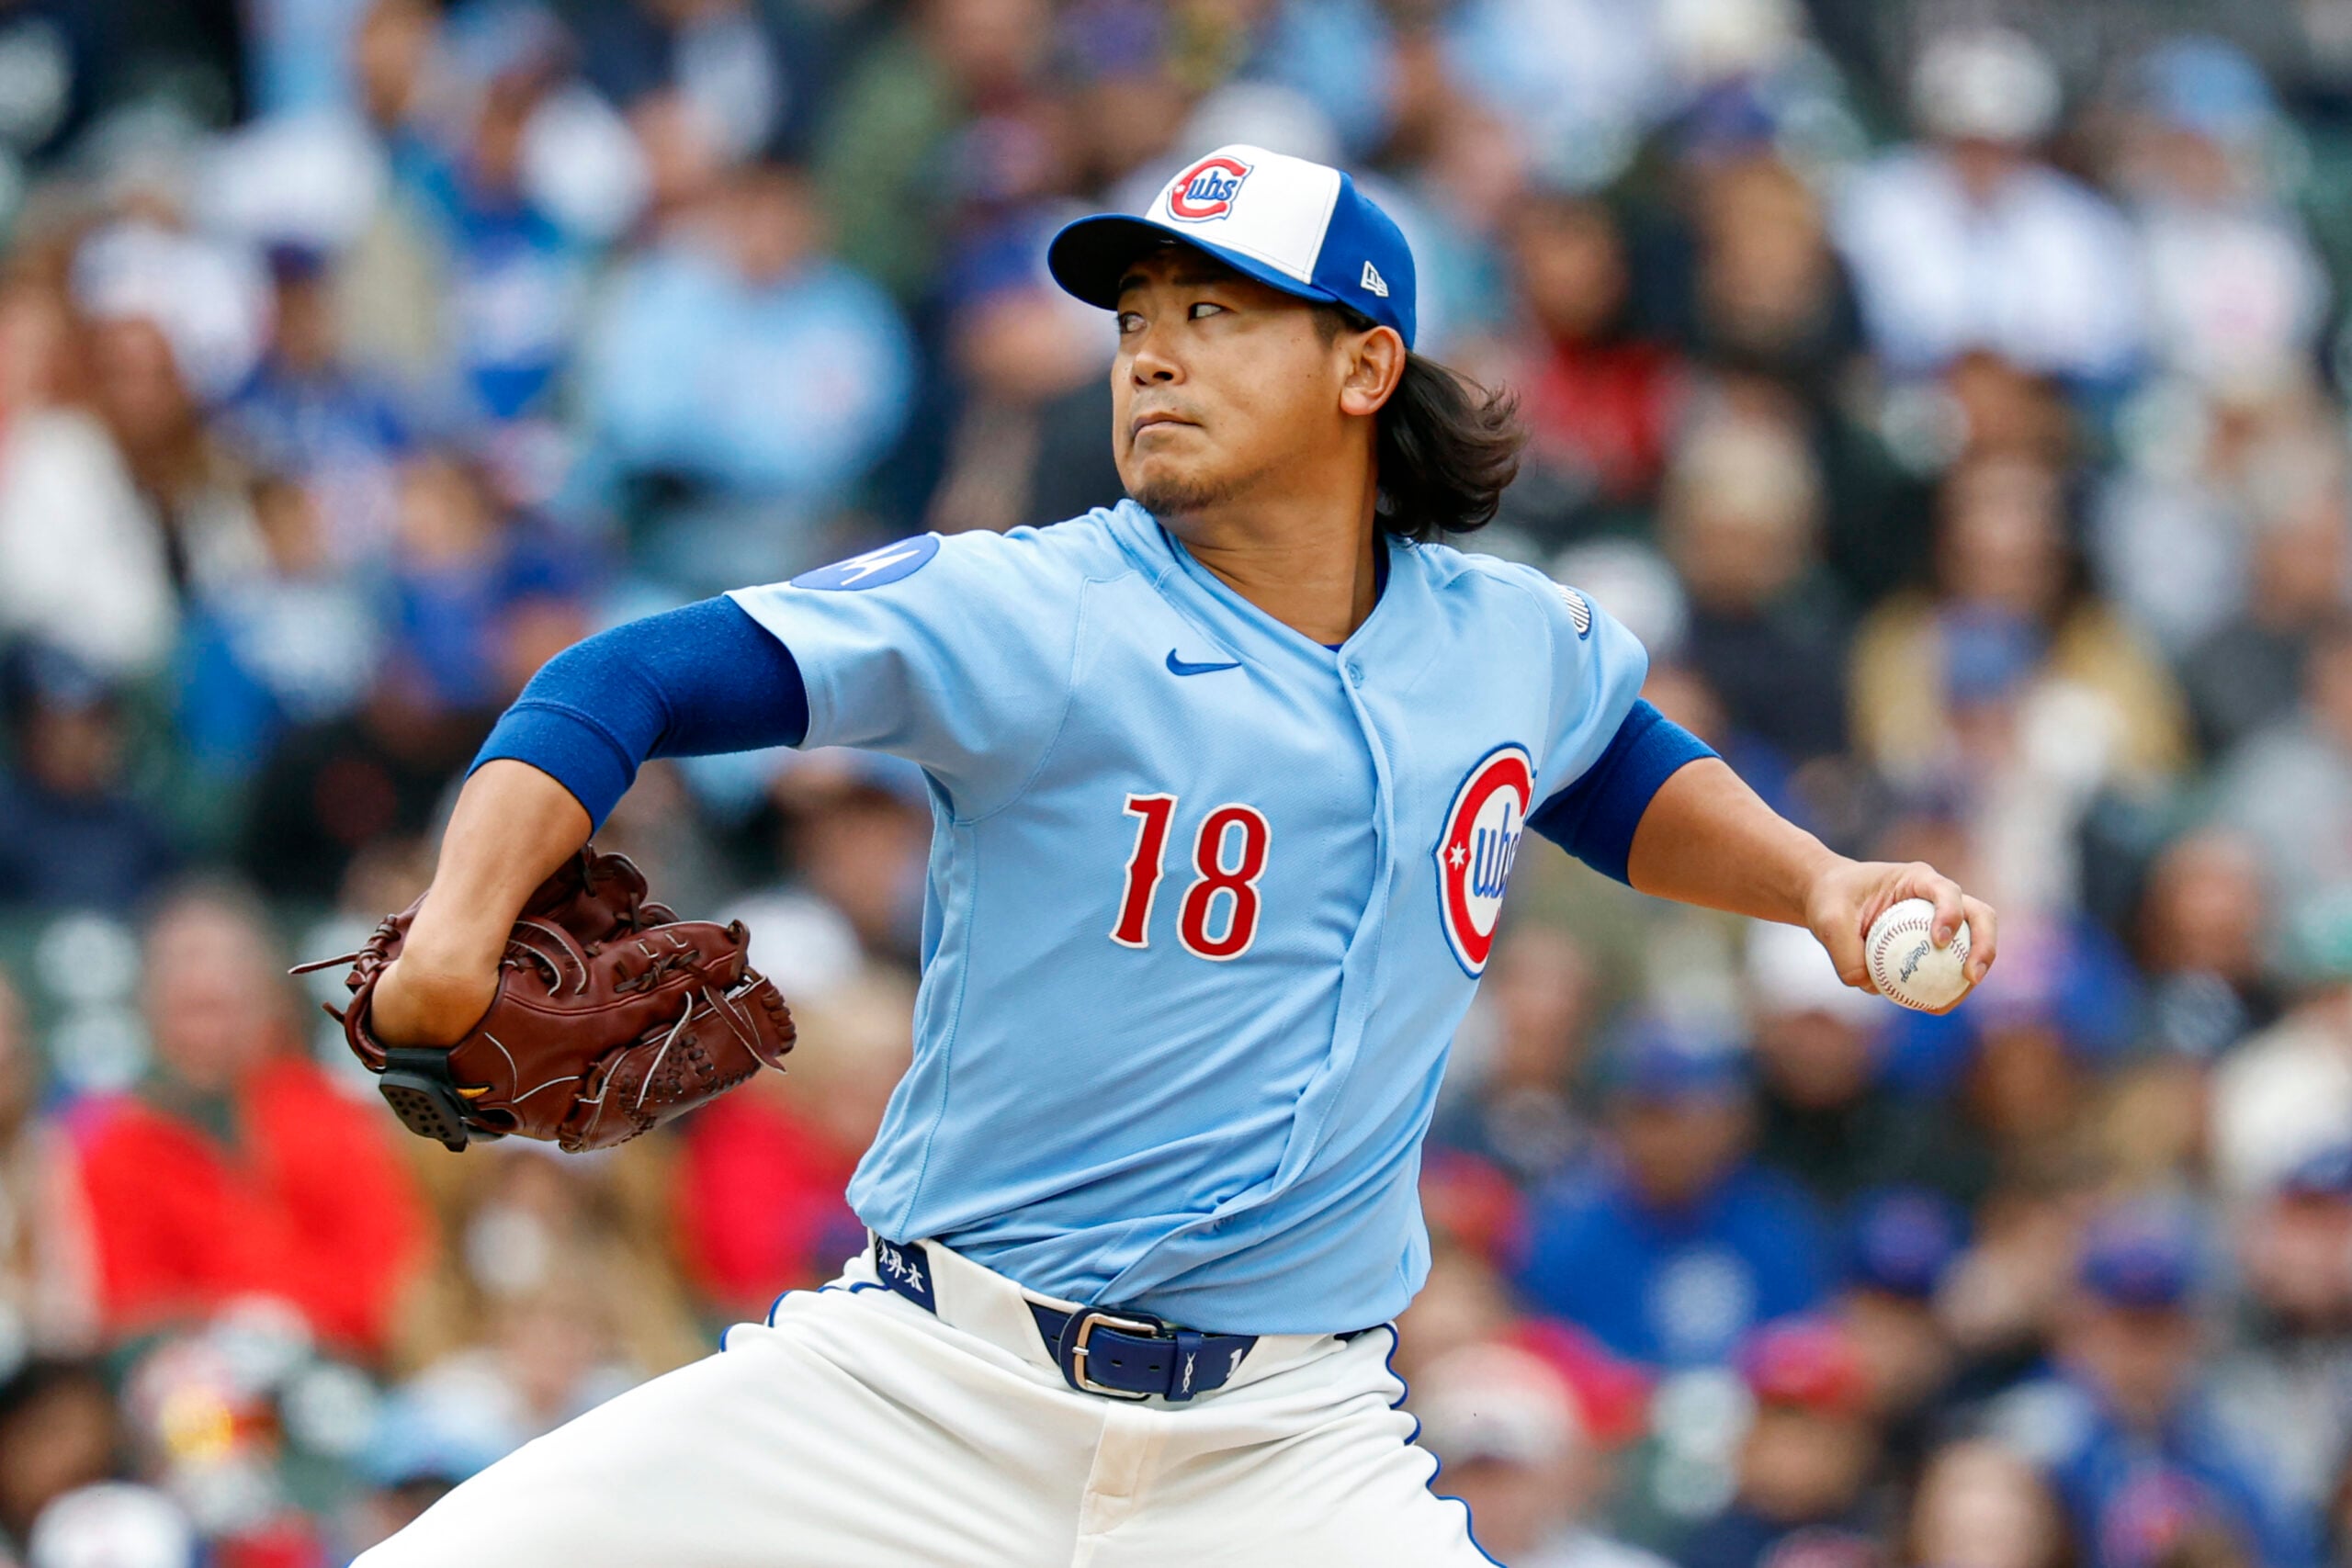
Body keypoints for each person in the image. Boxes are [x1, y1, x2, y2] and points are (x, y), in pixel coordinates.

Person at [350, 144, 1994, 1566]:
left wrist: (1824, 887)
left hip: (1286, 1448)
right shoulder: (1036, 613)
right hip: (926, 1391)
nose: (1152, 355)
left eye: (1216, 313)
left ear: (1363, 368)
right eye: (1136, 318)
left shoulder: (1510, 644)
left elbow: (1617, 774)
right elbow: (620, 679)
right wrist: (464, 917)